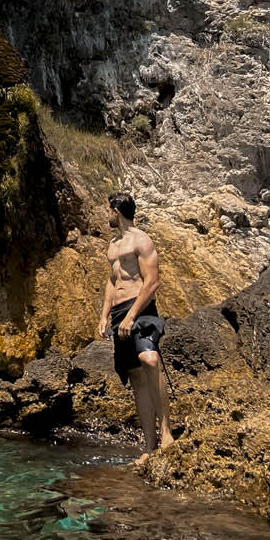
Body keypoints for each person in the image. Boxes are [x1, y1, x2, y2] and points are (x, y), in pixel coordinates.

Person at [97, 191, 172, 454]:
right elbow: (112, 281)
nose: (106, 215)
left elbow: (152, 282)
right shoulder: (113, 245)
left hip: (140, 309)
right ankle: (150, 448)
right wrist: (104, 315)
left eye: (108, 210)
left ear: (116, 210)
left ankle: (167, 434)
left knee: (150, 360)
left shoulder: (142, 240)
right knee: (136, 377)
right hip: (118, 313)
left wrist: (131, 316)